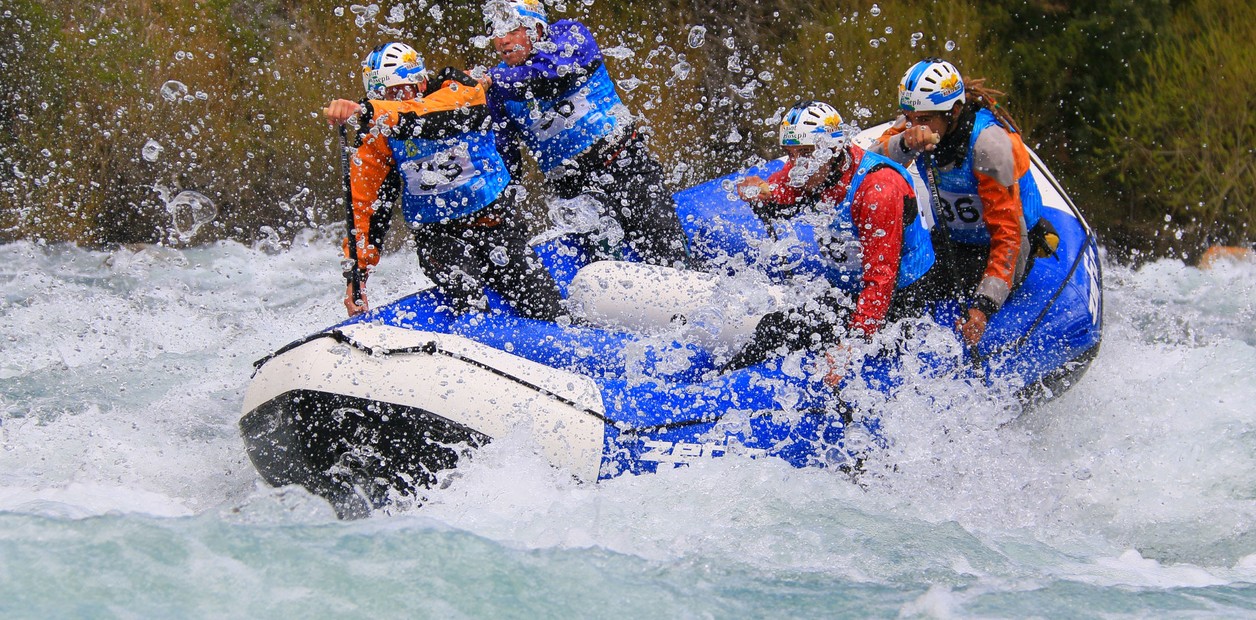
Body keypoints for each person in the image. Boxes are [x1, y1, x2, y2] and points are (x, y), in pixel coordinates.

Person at [324, 41, 565, 321]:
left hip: (497, 227)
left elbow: (426, 115)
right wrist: (357, 279)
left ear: (421, 82)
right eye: (383, 95)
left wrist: (371, 110)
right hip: (438, 239)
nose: (394, 101)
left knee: (548, 308)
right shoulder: (377, 133)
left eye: (399, 91)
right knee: (469, 296)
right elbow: (366, 211)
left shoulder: (460, 90)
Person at [724, 100, 940, 377]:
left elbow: (881, 280)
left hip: (902, 297)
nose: (796, 165)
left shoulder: (877, 190)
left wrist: (853, 344)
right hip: (848, 291)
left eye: (804, 153)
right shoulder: (816, 168)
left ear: (834, 149)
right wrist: (763, 193)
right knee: (773, 329)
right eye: (790, 154)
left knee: (830, 351)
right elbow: (783, 191)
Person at [480, 0, 692, 268]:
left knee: (668, 249)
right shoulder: (497, 89)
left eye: (512, 31)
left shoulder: (569, 35)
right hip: (572, 189)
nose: (503, 41)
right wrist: (499, 208)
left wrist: (492, 81)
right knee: (606, 265)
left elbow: (553, 74)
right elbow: (505, 156)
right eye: (496, 33)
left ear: (536, 28)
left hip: (625, 165)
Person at [870, 58, 1054, 348]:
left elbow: (1008, 238)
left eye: (925, 120)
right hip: (953, 239)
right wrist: (904, 143)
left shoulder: (988, 146)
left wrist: (983, 307)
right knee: (899, 287)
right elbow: (871, 167)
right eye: (910, 118)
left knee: (934, 291)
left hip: (1006, 243)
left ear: (953, 112)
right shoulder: (916, 122)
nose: (917, 126)